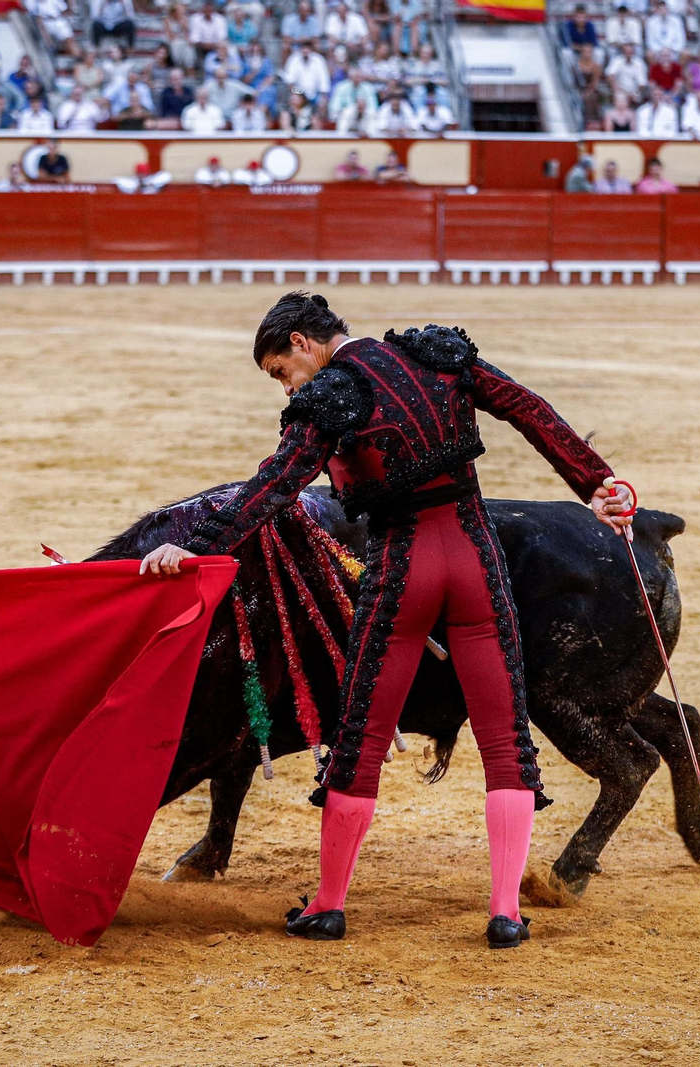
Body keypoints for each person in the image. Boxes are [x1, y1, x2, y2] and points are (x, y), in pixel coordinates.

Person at [138, 295, 634, 949]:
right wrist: (596, 480)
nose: (287, 384)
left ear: (302, 342)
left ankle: (330, 905)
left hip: (404, 568)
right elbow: (527, 407)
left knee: (360, 740)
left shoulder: (333, 394)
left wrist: (201, 543)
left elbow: (279, 481)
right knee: (506, 742)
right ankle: (506, 912)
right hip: (477, 557)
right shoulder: (439, 355)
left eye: (280, 370)